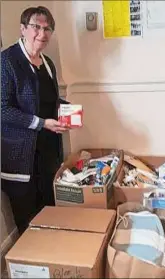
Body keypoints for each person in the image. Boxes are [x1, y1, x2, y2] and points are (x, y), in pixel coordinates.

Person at [1, 6, 70, 234]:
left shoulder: (47, 62)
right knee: (29, 220)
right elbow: (3, 109)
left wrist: (69, 110)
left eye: (48, 28)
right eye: (36, 27)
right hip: (20, 157)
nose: (42, 33)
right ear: (23, 29)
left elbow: (49, 100)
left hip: (47, 153)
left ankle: (51, 259)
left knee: (50, 211)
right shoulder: (7, 61)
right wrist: (41, 123)